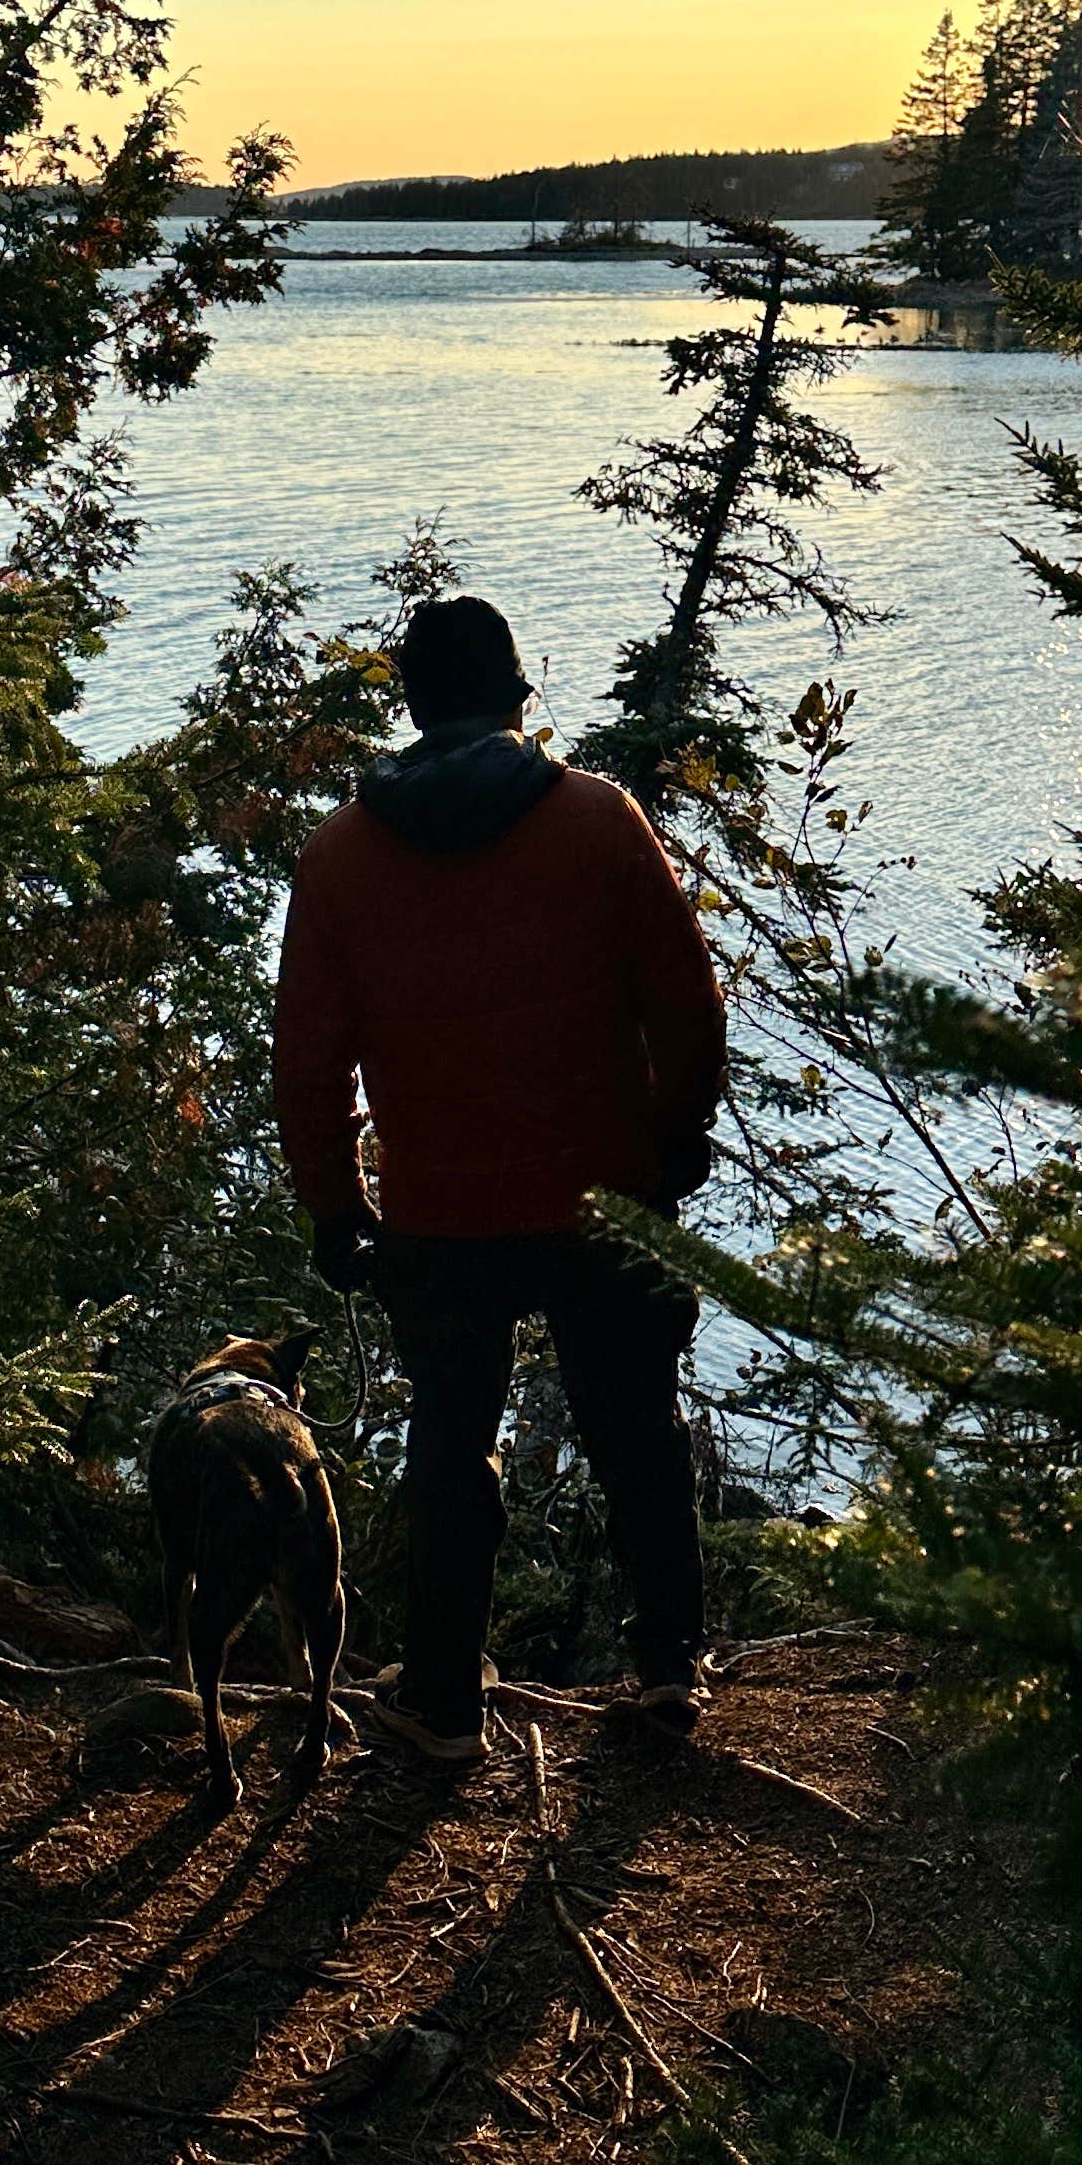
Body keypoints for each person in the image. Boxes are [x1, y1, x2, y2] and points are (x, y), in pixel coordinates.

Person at [272, 594, 727, 1758]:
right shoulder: (598, 821)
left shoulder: (338, 858)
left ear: (413, 706)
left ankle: (441, 1699)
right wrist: (675, 1142)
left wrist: (335, 1208)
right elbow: (687, 1003)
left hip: (439, 1209)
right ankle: (667, 1668)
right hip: (603, 1195)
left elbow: (309, 1064)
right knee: (635, 1427)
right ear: (520, 698)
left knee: (448, 1448)